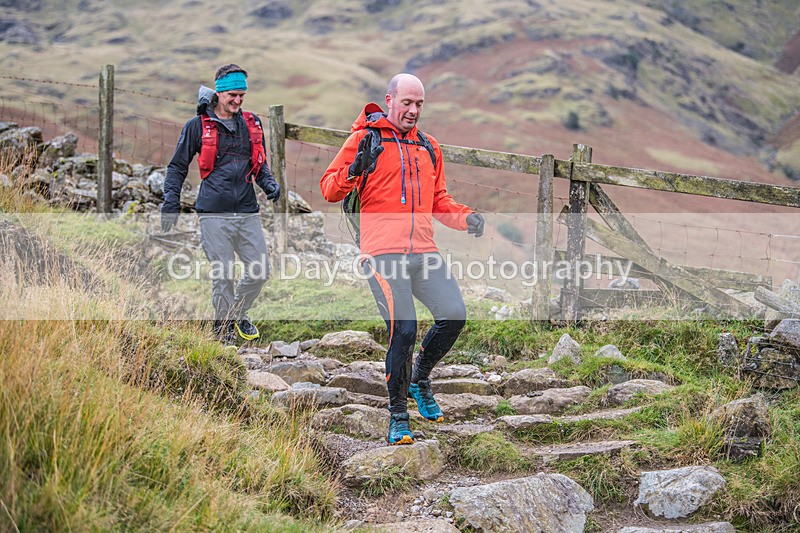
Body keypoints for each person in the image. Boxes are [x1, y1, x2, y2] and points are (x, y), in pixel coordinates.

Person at [320, 73, 485, 445]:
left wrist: (466, 217)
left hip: (424, 252)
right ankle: (398, 416)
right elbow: (329, 189)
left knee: (454, 314)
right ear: (390, 100)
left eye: (419, 104)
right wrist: (354, 171)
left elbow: (439, 200)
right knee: (404, 328)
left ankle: (419, 378)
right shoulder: (364, 139)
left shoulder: (429, 147)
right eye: (407, 102)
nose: (413, 110)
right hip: (381, 254)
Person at [161, 63, 280, 344]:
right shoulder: (197, 127)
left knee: (260, 271)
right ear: (220, 93)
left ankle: (237, 314)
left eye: (242, 96)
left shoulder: (251, 124)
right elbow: (177, 167)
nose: (237, 101)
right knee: (223, 275)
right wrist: (170, 202)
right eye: (232, 96)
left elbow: (259, 163)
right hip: (213, 213)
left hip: (247, 210)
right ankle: (223, 332)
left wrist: (269, 183)